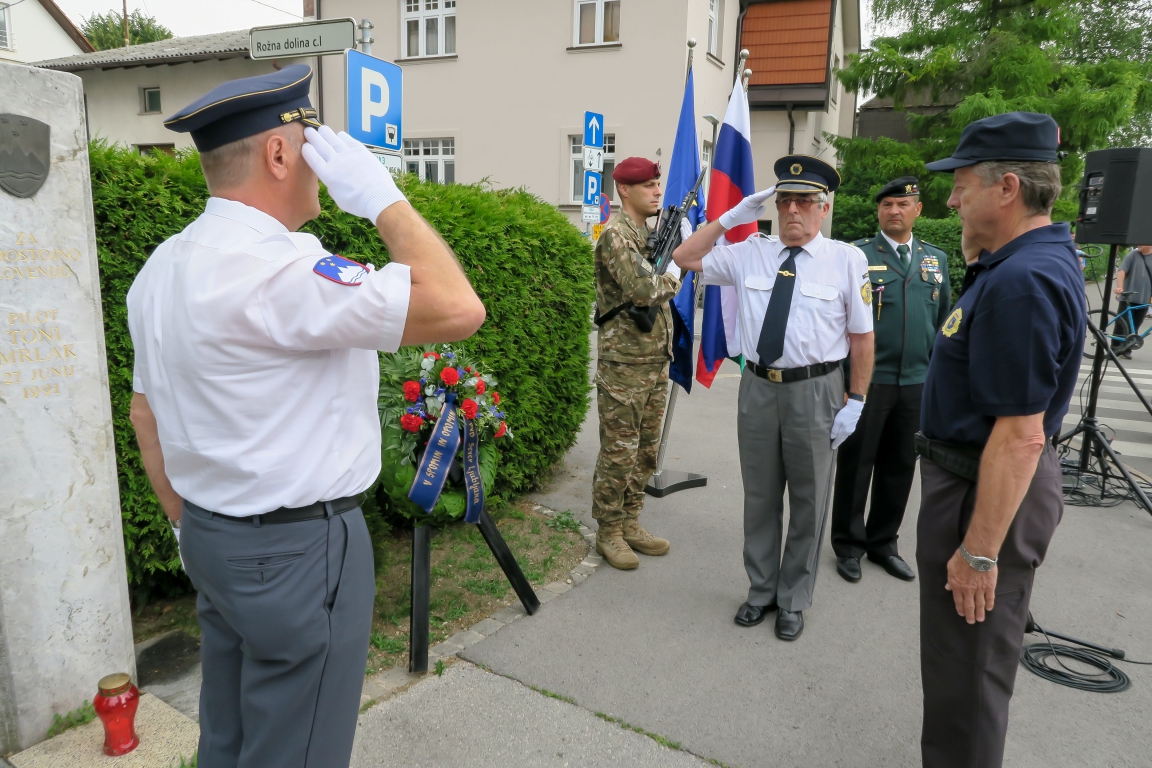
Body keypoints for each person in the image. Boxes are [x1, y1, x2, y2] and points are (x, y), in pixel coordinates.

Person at [127, 65, 485, 768]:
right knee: (301, 751)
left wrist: (190, 526)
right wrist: (382, 198)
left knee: (229, 737)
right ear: (278, 154)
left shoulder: (163, 265)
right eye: (310, 142)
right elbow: (458, 307)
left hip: (210, 534)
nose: (323, 162)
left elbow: (146, 414)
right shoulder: (280, 270)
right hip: (301, 551)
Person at [916, 111, 1085, 768]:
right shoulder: (1018, 263)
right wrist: (977, 257)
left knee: (968, 676)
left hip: (980, 490)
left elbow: (1019, 438)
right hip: (976, 480)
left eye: (962, 186)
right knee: (961, 667)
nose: (951, 200)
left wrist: (979, 552)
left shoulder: (1022, 281)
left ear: (1007, 187)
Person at [674, 155, 875, 641]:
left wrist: (856, 400)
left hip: (816, 389)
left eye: (805, 202)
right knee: (760, 496)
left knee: (809, 498)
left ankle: (793, 598)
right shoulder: (750, 252)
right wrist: (731, 217)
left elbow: (862, 338)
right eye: (785, 201)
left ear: (824, 208)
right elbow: (684, 257)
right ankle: (761, 590)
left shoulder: (846, 260)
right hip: (759, 387)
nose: (793, 211)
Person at [831, 176, 951, 584]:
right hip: (869, 381)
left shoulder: (935, 259)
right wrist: (846, 383)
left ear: (918, 210)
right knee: (856, 465)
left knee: (900, 466)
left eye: (902, 204)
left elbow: (943, 322)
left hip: (916, 382)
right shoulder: (857, 255)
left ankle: (883, 543)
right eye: (886, 205)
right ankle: (848, 545)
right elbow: (839, 321)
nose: (894, 211)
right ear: (879, 212)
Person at [590, 157, 679, 570]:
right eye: (648, 185)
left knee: (645, 451)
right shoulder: (616, 236)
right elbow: (644, 290)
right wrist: (676, 269)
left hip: (655, 361)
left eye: (658, 184)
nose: (657, 191)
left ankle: (630, 522)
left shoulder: (647, 235)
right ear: (624, 190)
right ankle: (608, 531)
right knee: (619, 452)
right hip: (624, 364)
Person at [1112, 244, 1152, 358]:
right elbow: (1121, 271)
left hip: (1144, 298)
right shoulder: (1133, 255)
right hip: (1128, 298)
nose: (1138, 244)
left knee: (1135, 326)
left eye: (1142, 242)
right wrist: (1120, 287)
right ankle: (1114, 349)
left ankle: (1126, 350)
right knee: (1121, 324)